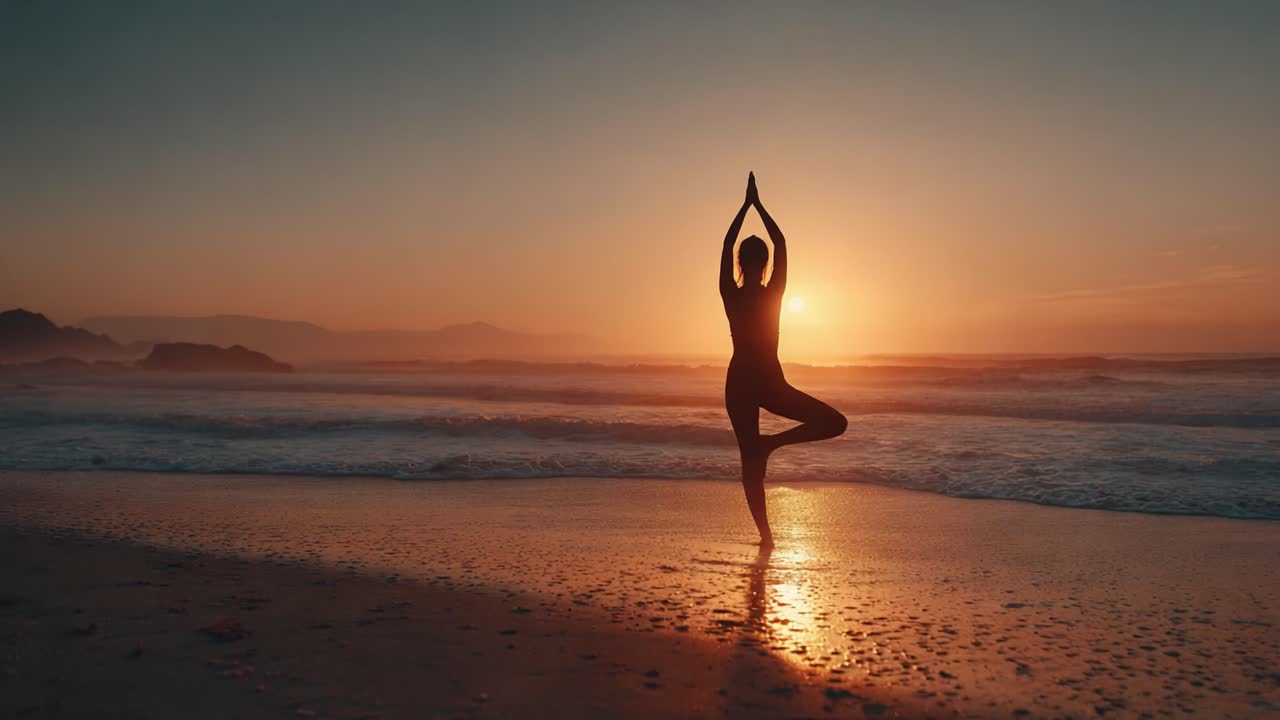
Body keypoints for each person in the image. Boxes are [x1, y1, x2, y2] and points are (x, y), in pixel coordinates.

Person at [720, 172, 847, 546]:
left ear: (742, 262)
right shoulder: (774, 292)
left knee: (750, 460)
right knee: (834, 422)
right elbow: (781, 240)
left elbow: (728, 244)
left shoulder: (731, 292)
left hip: (744, 381)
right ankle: (771, 448)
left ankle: (766, 535)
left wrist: (745, 207)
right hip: (766, 382)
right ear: (765, 261)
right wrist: (759, 205)